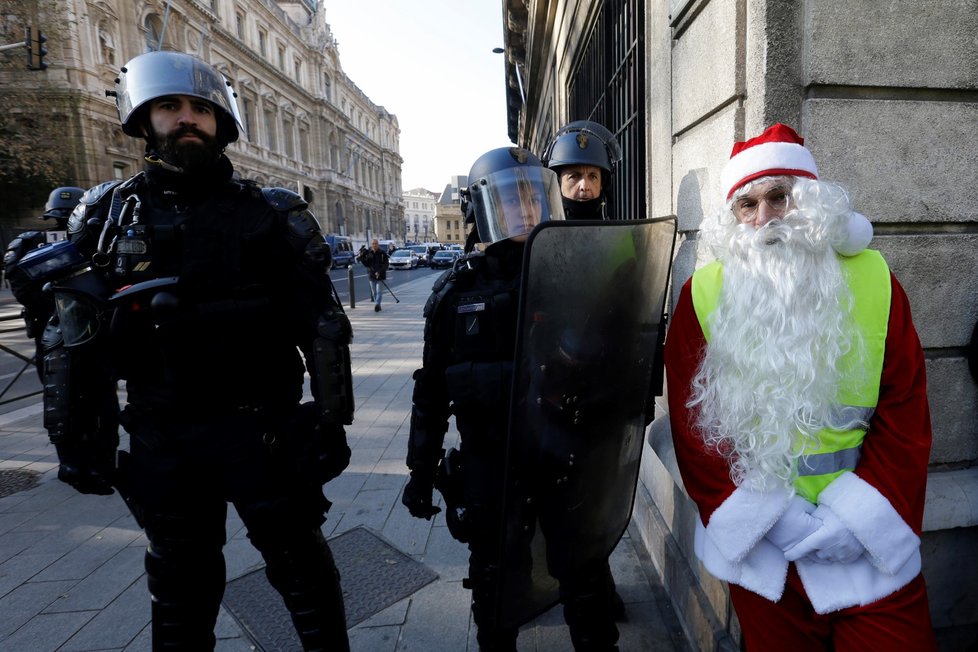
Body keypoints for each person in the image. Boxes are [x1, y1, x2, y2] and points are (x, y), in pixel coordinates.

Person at [5, 51, 354, 650]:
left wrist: (330, 421)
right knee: (179, 589)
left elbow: (320, 322)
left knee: (304, 573)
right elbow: (70, 335)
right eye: (170, 106)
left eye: (200, 108)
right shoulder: (108, 213)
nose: (187, 119)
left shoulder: (271, 212)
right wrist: (79, 441)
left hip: (263, 431)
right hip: (163, 432)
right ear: (144, 118)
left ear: (222, 121)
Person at [665, 123, 936, 650]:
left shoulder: (876, 280)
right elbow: (693, 432)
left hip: (865, 542)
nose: (764, 219)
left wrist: (858, 518)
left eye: (779, 197)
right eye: (747, 204)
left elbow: (905, 413)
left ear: (810, 204)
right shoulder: (701, 295)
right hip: (766, 550)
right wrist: (769, 521)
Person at [402, 146, 625, 651]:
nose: (526, 210)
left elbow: (615, 372)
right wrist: (420, 471)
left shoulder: (576, 280)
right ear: (481, 210)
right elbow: (431, 389)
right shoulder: (454, 296)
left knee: (583, 580)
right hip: (490, 463)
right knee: (497, 583)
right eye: (511, 199)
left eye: (533, 197)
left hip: (563, 455)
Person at [3, 186, 85, 370]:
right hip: (86, 325)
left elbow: (19, 285)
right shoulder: (94, 241)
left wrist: (47, 307)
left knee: (54, 383)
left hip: (48, 327)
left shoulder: (27, 242)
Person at [542, 120, 621, 220]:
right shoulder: (545, 234)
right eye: (574, 176)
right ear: (558, 183)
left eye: (593, 176)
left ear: (602, 184)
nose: (584, 186)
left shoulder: (616, 233)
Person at [359, 238, 389, 311]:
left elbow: (386, 264)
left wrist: (379, 271)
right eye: (373, 244)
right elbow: (366, 264)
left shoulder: (382, 253)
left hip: (381, 276)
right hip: (371, 275)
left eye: (376, 243)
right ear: (371, 245)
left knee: (379, 291)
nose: (374, 245)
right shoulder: (369, 253)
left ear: (378, 244)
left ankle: (377, 304)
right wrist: (362, 257)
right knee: (374, 292)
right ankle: (377, 304)